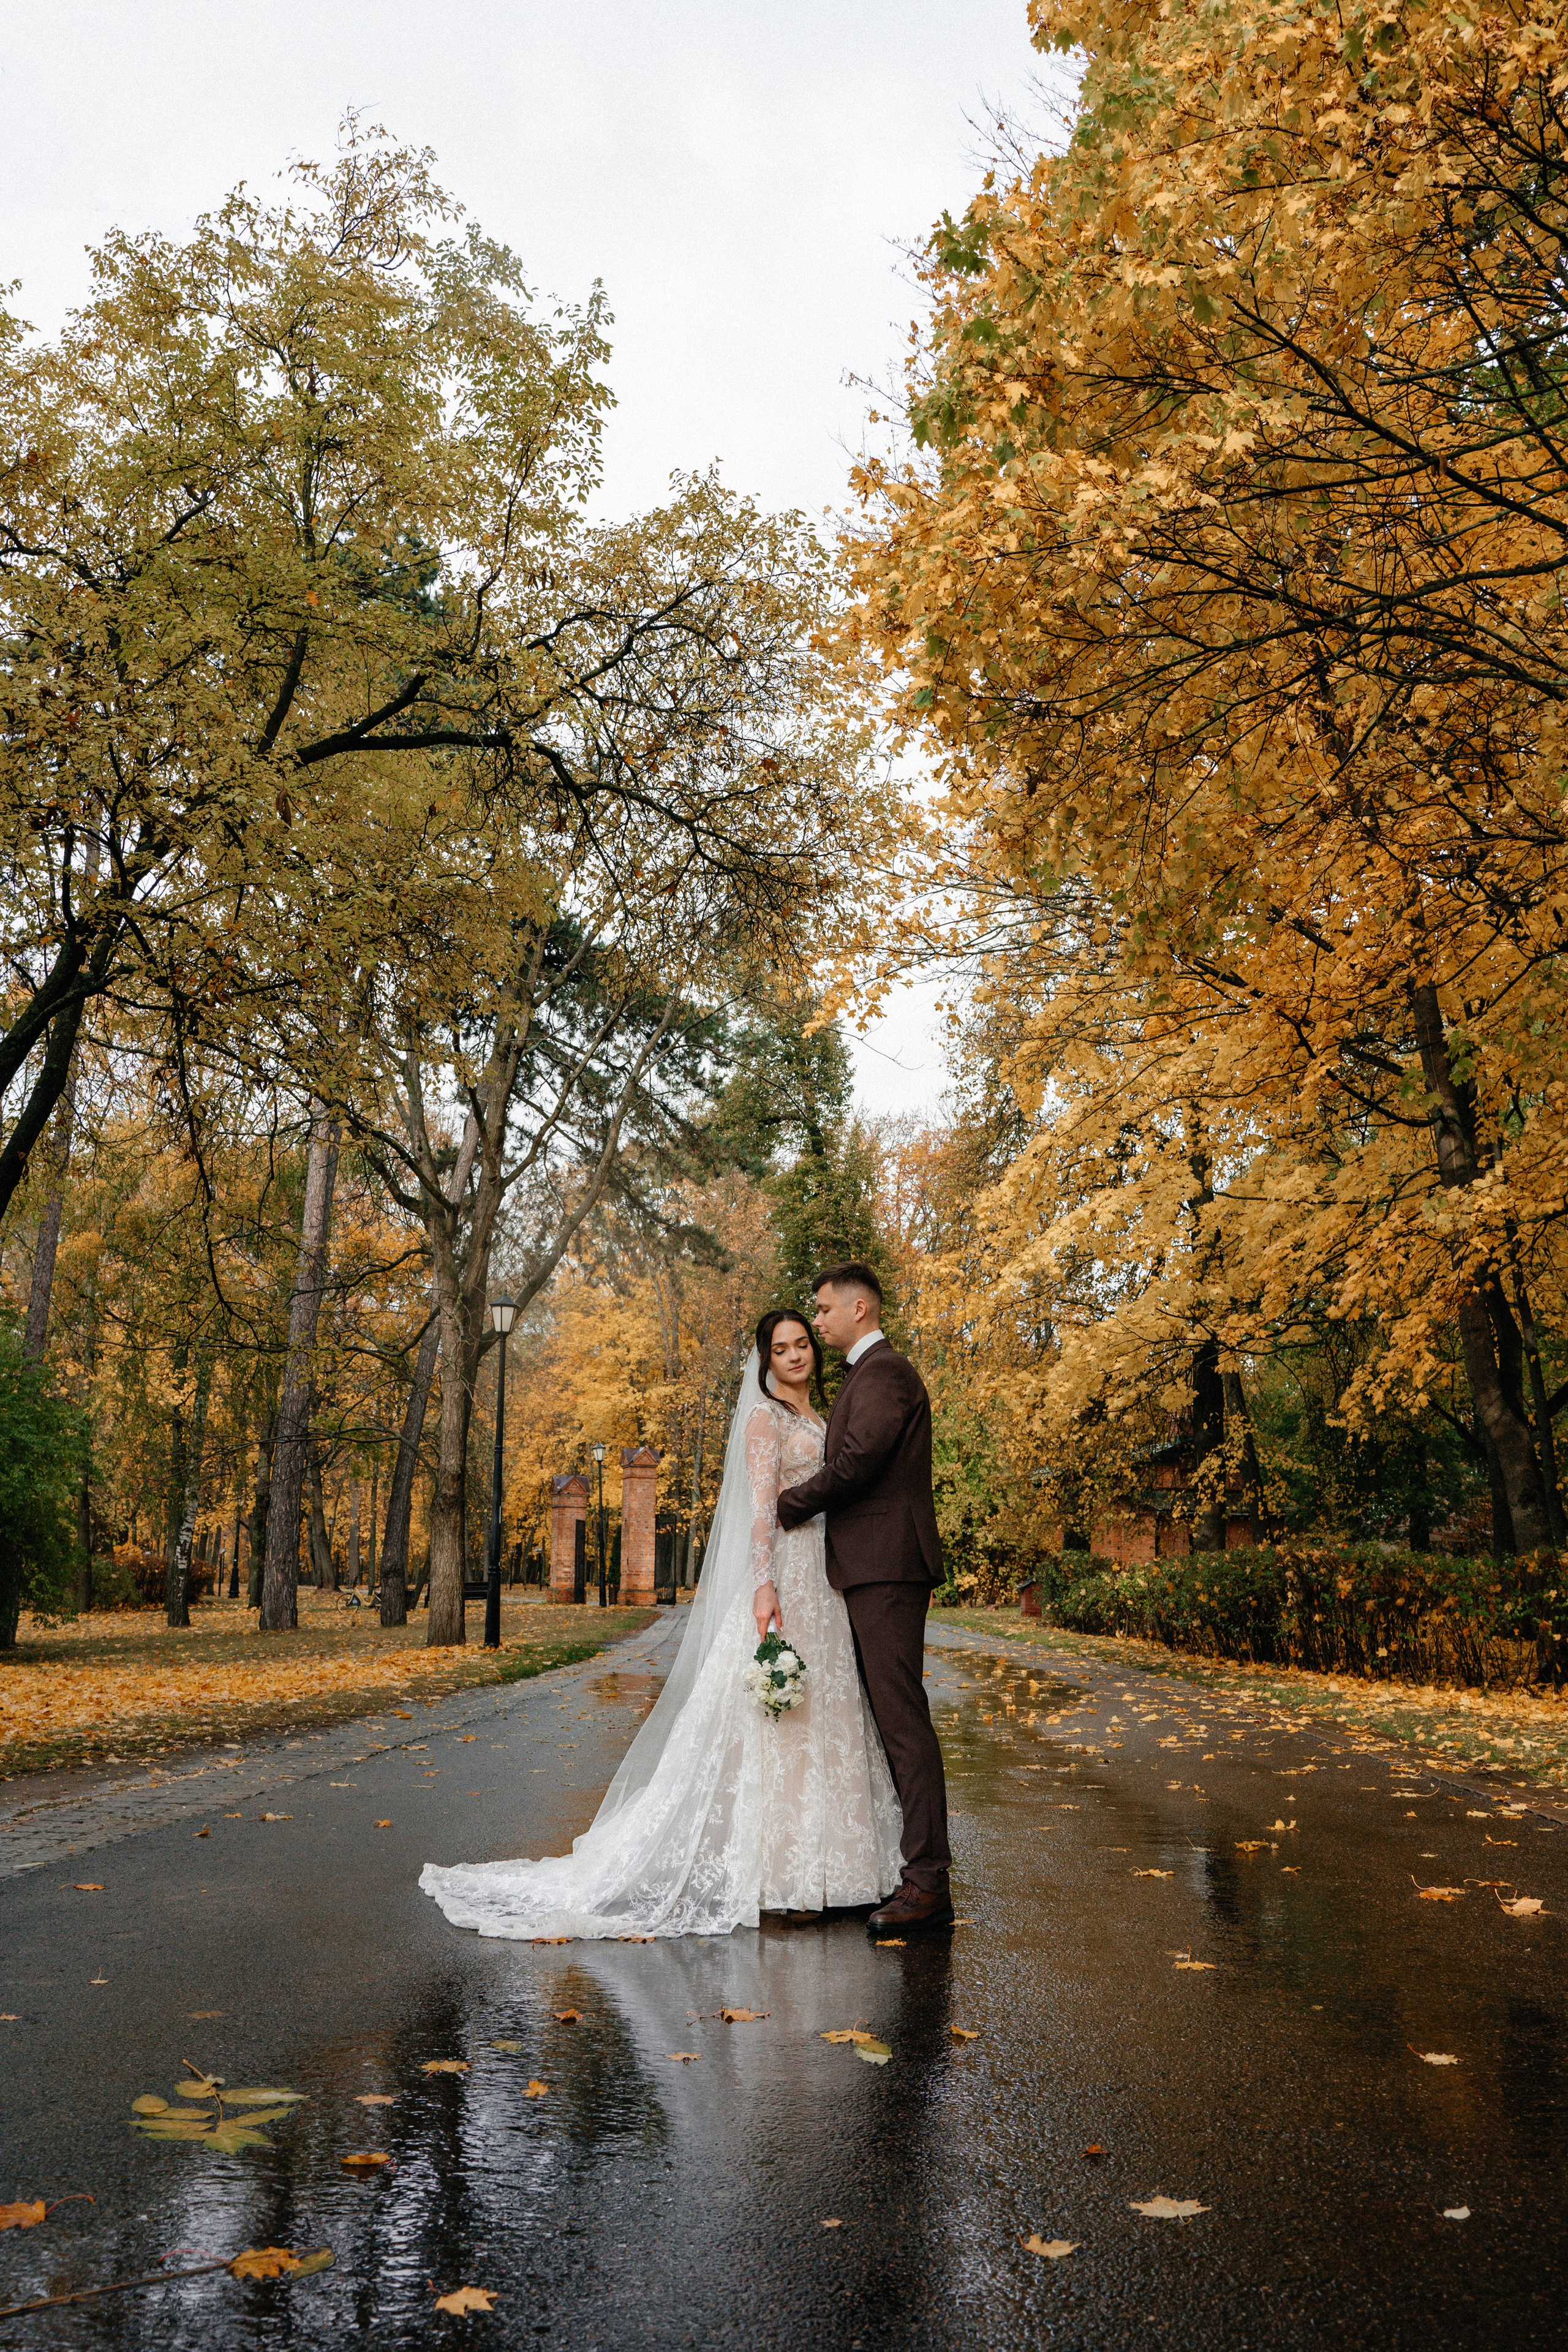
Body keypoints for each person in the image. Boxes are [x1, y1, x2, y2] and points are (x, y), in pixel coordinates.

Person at [418, 1309, 902, 1939]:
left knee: (825, 1715)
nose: (794, 1356)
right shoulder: (764, 1419)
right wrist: (762, 1587)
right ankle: (786, 1877)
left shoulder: (818, 1418)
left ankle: (842, 1868)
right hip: (785, 1577)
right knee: (781, 1722)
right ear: (765, 1360)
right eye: (780, 1349)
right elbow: (760, 1511)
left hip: (826, 1583)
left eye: (801, 1344)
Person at [775, 1261, 952, 1932]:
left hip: (888, 1566)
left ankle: (928, 1882)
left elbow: (856, 1465)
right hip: (872, 1566)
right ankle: (914, 1870)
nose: (815, 1322)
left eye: (821, 1311)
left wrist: (788, 1503)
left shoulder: (885, 1373)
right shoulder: (868, 1375)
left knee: (902, 1721)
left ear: (858, 1311)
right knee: (890, 1718)